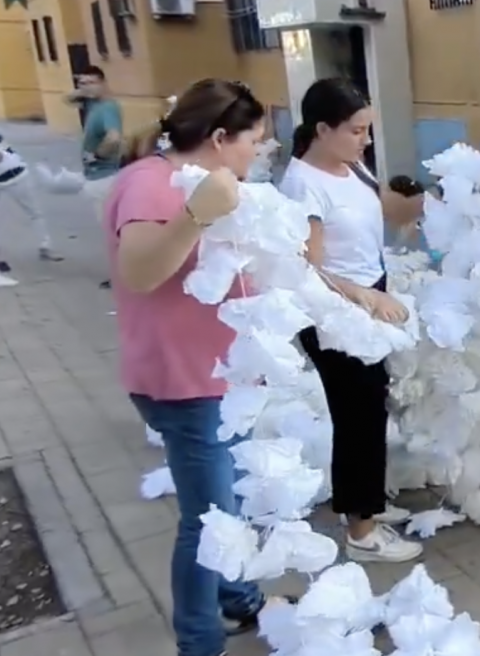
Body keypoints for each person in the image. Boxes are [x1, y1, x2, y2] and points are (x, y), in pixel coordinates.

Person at [105, 79, 292, 656]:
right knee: (206, 520)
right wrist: (195, 215)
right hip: (185, 384)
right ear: (217, 138)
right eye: (252, 142)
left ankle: (238, 599)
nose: (256, 153)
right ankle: (199, 642)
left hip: (222, 379)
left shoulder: (215, 184)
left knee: (226, 504)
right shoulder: (150, 185)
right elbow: (139, 271)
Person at [279, 77, 425, 564]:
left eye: (368, 130)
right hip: (335, 314)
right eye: (357, 131)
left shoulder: (353, 168)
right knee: (356, 415)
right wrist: (362, 294)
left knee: (371, 408)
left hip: (368, 299)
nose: (366, 141)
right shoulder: (302, 185)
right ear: (323, 129)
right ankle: (361, 534)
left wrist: (423, 199)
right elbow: (306, 268)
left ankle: (368, 504)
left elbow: (384, 209)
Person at [67, 66, 123, 289]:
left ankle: (122, 277)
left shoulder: (107, 108)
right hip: (98, 177)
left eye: (91, 83)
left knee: (112, 230)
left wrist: (97, 154)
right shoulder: (93, 103)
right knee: (111, 229)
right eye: (82, 83)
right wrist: (83, 91)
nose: (85, 88)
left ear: (103, 82)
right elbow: (67, 99)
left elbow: (114, 137)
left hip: (104, 176)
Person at [0, 128, 61, 286]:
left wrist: (5, 155)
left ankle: (46, 246)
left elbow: (0, 151)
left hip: (16, 176)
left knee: (34, 212)